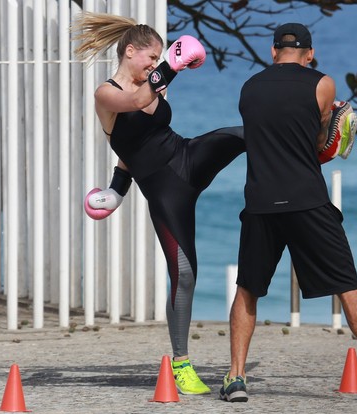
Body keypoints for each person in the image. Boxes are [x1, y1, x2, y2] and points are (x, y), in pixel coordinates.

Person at [219, 23, 357, 404]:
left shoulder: (249, 88)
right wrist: (335, 125)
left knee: (248, 289)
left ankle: (236, 378)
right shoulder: (323, 84)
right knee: (347, 286)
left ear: (273, 52)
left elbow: (266, 134)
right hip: (306, 199)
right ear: (309, 53)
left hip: (260, 201)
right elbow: (320, 143)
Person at [71, 12, 245, 395]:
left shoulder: (155, 84)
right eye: (151, 57)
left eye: (159, 59)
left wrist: (166, 70)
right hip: (166, 193)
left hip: (187, 157)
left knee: (242, 134)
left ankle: (316, 145)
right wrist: (117, 191)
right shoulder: (106, 94)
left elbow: (147, 128)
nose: (154, 63)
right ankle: (181, 363)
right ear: (130, 52)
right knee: (184, 275)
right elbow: (133, 118)